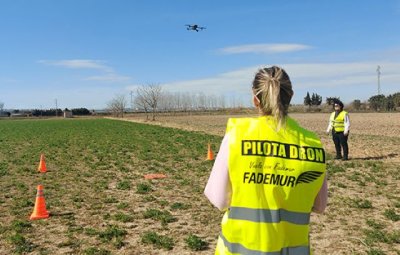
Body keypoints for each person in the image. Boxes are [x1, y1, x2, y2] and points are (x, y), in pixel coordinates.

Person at [204, 66, 328, 255]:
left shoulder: (237, 137)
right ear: (291, 96)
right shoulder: (313, 144)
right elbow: (319, 206)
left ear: (255, 100)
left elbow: (219, 199)